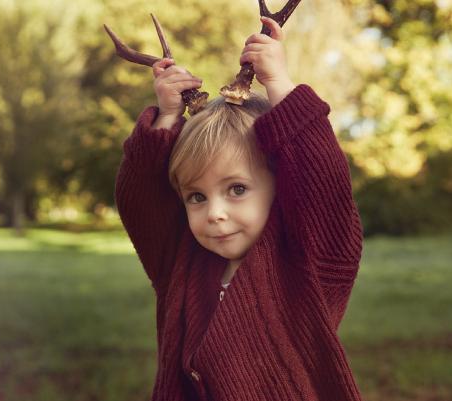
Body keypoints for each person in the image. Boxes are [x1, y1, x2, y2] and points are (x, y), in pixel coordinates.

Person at [115, 16, 364, 401]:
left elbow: (324, 186)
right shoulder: (179, 264)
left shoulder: (308, 264)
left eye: (236, 189)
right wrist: (166, 118)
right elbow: (141, 203)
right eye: (196, 196)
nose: (214, 213)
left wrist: (279, 84)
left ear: (280, 186)